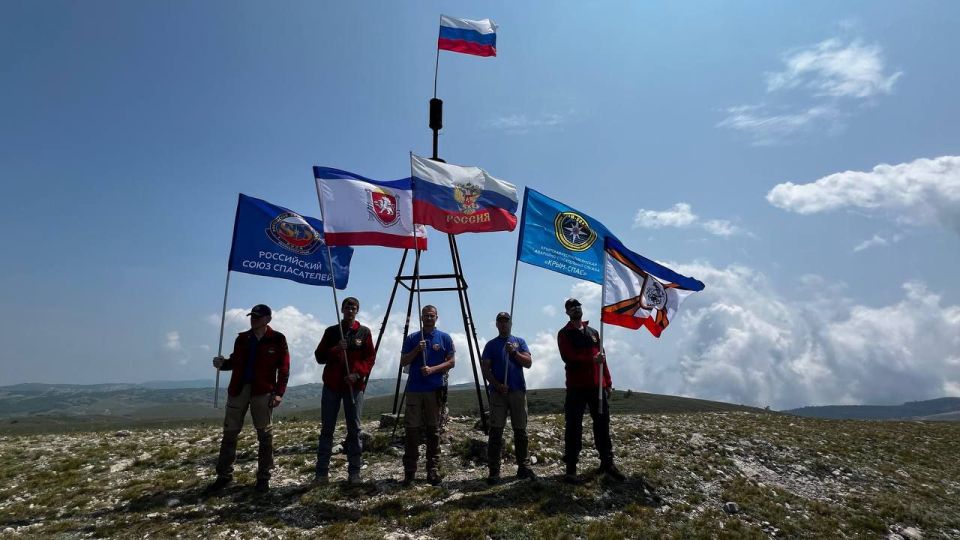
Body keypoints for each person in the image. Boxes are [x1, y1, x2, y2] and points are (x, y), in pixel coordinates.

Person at [206, 304, 289, 494]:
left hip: (263, 391)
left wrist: (278, 393)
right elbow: (235, 362)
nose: (254, 320)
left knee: (264, 435)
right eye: (252, 317)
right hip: (239, 389)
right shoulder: (242, 339)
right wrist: (223, 364)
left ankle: (263, 477)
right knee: (230, 433)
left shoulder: (277, 339)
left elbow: (284, 368)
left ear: (268, 319)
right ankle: (224, 475)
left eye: (258, 317)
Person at [557, 298, 625, 483]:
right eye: (571, 307)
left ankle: (607, 463)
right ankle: (571, 469)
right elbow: (568, 357)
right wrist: (591, 360)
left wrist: (608, 382)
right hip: (576, 387)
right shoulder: (564, 334)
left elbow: (602, 359)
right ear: (567, 312)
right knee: (573, 426)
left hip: (597, 387)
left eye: (578, 306)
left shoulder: (594, 332)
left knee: (602, 424)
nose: (575, 309)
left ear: (582, 309)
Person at [313, 296, 376, 485]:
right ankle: (321, 473)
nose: (350, 310)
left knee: (355, 430)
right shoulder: (332, 332)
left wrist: (357, 375)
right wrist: (335, 349)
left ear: (357, 310)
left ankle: (354, 473)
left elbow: (370, 358)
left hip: (354, 388)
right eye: (347, 307)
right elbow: (319, 357)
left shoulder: (364, 332)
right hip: (332, 387)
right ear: (342, 309)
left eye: (354, 307)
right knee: (327, 429)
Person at [399, 305, 455, 486]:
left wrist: (432, 370)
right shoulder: (412, 338)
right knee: (412, 431)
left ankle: (433, 469)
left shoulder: (444, 338)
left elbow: (451, 362)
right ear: (421, 318)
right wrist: (416, 350)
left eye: (432, 316)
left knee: (433, 430)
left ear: (436, 317)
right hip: (415, 389)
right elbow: (403, 361)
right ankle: (410, 471)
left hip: (434, 389)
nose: (429, 318)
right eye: (426, 316)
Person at [480, 311, 536, 485]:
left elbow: (528, 363)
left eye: (506, 321)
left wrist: (514, 353)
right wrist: (497, 385)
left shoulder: (519, 342)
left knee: (520, 430)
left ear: (511, 323)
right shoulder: (490, 345)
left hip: (517, 390)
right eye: (500, 321)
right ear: (496, 324)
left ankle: (523, 467)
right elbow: (485, 369)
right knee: (496, 431)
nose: (504, 324)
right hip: (498, 393)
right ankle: (494, 471)